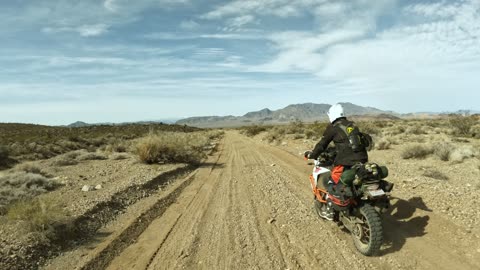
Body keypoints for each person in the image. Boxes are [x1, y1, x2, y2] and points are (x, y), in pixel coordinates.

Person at [305, 103, 370, 220]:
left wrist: (313, 155)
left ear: (332, 115)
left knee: (332, 184)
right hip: (362, 160)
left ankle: (330, 211)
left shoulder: (333, 128)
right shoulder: (352, 125)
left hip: (346, 163)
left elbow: (322, 144)